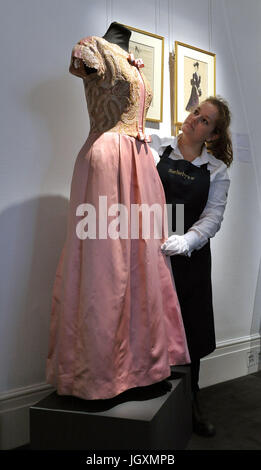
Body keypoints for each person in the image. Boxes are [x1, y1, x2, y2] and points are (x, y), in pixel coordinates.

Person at [46, 22, 190, 401]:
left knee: (143, 260)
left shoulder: (132, 59)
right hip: (108, 159)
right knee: (105, 262)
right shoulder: (93, 48)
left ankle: (143, 365)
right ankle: (100, 372)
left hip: (140, 164)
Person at [151, 96, 232, 436]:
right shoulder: (156, 148)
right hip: (151, 252)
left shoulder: (217, 170)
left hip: (190, 258)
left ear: (212, 135)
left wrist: (187, 241)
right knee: (150, 323)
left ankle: (191, 402)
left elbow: (213, 216)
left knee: (190, 333)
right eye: (196, 112)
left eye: (204, 120)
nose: (195, 119)